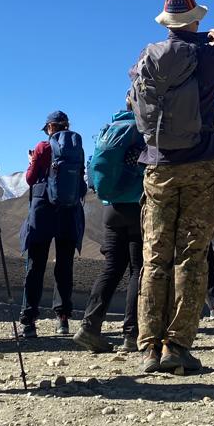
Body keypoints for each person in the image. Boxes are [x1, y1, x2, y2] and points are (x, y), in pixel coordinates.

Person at [130, 0, 214, 374]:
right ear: (195, 20)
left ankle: (148, 347)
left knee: (155, 256)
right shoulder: (209, 55)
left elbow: (131, 98)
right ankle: (177, 346)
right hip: (202, 163)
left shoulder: (145, 58)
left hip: (157, 165)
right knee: (192, 254)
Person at [74, 107, 145, 354]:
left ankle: (89, 326)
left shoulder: (109, 132)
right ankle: (132, 334)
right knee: (139, 269)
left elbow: (92, 174)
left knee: (112, 267)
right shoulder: (142, 131)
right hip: (137, 207)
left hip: (110, 209)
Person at [19, 111, 86, 338]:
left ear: (49, 127)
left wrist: (31, 162)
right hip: (68, 213)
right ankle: (63, 320)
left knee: (36, 266)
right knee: (64, 266)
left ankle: (29, 320)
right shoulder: (77, 148)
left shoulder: (42, 147)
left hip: (43, 212)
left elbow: (30, 178)